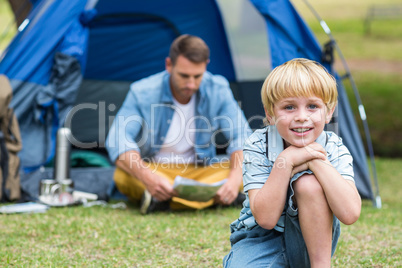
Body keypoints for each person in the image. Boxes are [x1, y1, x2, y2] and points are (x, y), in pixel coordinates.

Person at [223, 58, 361, 267]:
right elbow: (266, 219)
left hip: (312, 241)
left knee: (309, 184)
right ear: (270, 113)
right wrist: (286, 160)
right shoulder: (258, 144)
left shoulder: (333, 146)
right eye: (289, 107)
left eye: (313, 106)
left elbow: (350, 213)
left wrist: (316, 161)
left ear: (329, 111)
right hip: (261, 240)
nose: (302, 117)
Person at [106, 34, 251, 214]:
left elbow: (242, 136)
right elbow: (118, 138)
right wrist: (147, 177)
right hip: (157, 171)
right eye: (184, 76)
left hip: (200, 171)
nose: (191, 84)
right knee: (122, 175)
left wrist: (234, 180)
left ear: (206, 65)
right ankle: (210, 198)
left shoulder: (218, 89)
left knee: (247, 171)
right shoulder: (142, 91)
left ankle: (163, 200)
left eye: (197, 76)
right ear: (169, 65)